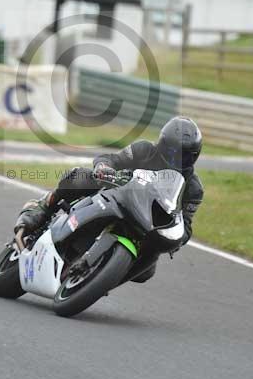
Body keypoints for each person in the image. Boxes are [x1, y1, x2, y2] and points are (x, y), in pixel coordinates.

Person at [14, 116, 204, 281]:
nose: (175, 159)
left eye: (184, 156)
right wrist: (104, 168)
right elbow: (111, 159)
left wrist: (177, 238)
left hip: (147, 223)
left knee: (147, 270)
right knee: (80, 177)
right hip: (117, 194)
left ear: (194, 157)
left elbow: (185, 225)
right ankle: (44, 207)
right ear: (161, 144)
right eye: (171, 151)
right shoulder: (144, 150)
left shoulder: (193, 189)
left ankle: (103, 276)